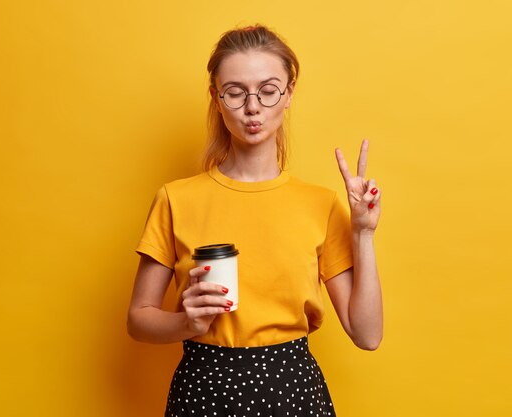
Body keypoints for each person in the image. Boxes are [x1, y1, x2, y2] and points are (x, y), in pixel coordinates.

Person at [127, 24, 383, 416]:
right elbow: (138, 320)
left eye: (267, 91)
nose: (252, 107)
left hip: (294, 393)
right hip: (203, 391)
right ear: (216, 97)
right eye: (235, 92)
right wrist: (187, 323)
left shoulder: (321, 204)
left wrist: (362, 234)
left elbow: (367, 335)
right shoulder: (175, 199)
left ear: (289, 93)